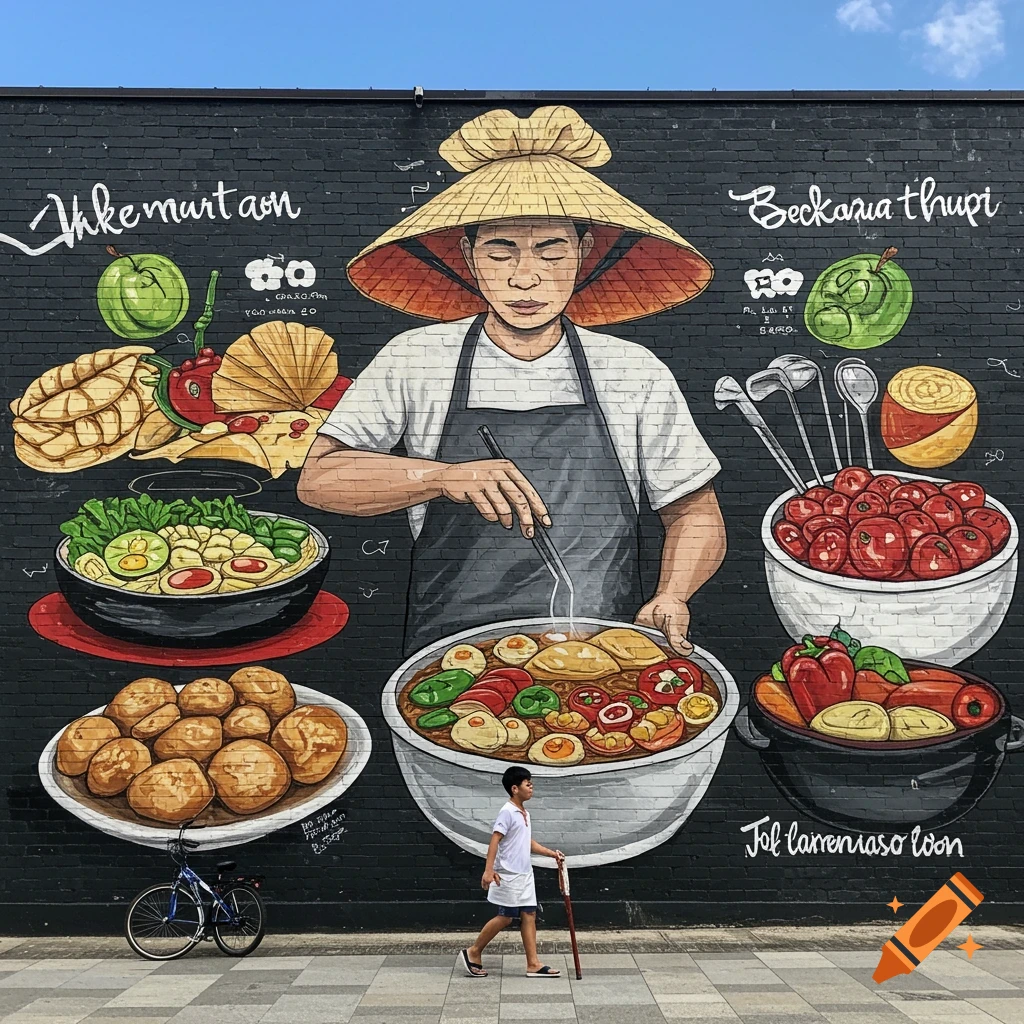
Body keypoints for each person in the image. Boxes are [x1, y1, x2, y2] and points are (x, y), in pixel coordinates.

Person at [298, 105, 727, 656]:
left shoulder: (634, 371)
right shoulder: (416, 356)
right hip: (451, 655)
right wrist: (441, 477)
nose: (526, 277)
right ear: (468, 259)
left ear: (585, 254)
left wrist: (673, 593)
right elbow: (319, 479)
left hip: (604, 652)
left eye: (552, 252)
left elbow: (693, 511)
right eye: (501, 251)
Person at [461, 766, 563, 978]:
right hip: (508, 874)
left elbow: (527, 842)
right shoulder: (507, 812)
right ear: (515, 789)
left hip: (525, 874)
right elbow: (495, 839)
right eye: (528, 784)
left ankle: (533, 964)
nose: (531, 787)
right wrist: (488, 870)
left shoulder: (525, 813)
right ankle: (473, 951)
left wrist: (551, 854)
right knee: (506, 917)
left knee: (529, 914)